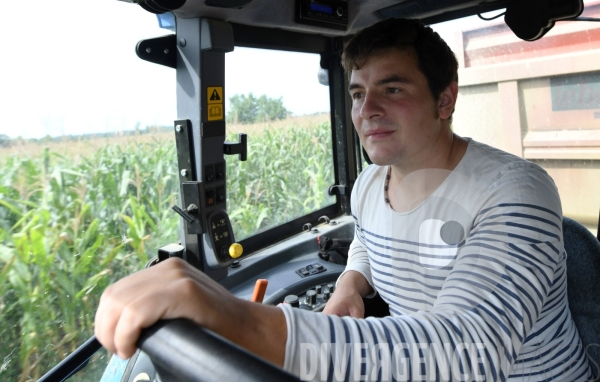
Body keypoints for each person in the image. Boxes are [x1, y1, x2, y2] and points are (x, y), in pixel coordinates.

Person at [95, 18, 592, 381]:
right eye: (357, 94)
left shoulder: (514, 191)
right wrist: (352, 282)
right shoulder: (369, 185)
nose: (367, 110)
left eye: (392, 89)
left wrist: (240, 318)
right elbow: (368, 242)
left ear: (445, 99)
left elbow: (467, 354)